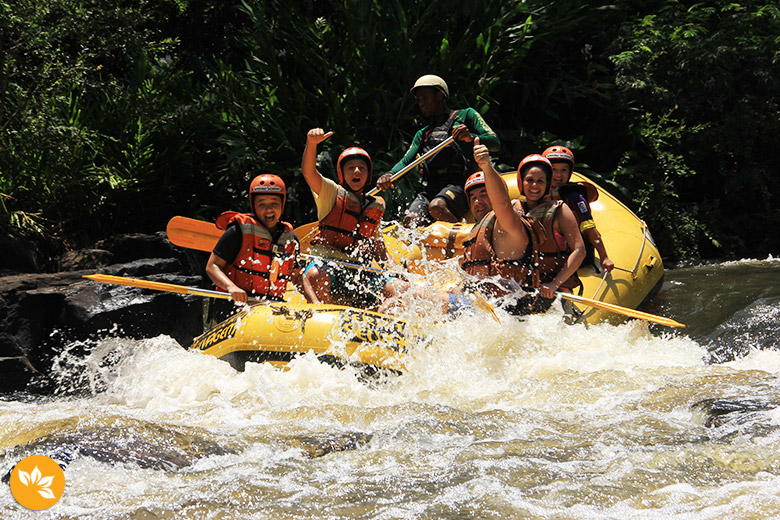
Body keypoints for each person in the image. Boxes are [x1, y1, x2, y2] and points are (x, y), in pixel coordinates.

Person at [471, 139, 586, 313]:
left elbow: (579, 250)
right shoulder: (516, 209)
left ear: (547, 184)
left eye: (540, 181)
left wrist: (555, 284)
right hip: (524, 286)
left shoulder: (560, 210)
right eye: (530, 180)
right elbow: (501, 205)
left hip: (552, 287)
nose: (534, 185)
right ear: (521, 183)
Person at [376, 75, 500, 227]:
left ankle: (465, 243)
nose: (420, 103)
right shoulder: (423, 134)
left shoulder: (466, 115)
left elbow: (495, 143)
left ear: (440, 95)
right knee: (410, 219)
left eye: (425, 98)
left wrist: (470, 137)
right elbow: (406, 161)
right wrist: (390, 174)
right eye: (418, 99)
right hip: (432, 187)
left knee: (437, 207)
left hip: (459, 184)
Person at [300, 128, 404, 308]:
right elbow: (309, 173)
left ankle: (383, 320)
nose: (357, 171)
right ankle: (322, 317)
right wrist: (311, 144)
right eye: (351, 168)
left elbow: (379, 251)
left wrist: (398, 272)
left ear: (368, 175)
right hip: (328, 266)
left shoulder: (374, 207)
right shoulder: (330, 192)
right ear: (342, 174)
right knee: (315, 274)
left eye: (362, 168)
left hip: (360, 272)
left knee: (402, 289)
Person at [205, 174, 299, 323]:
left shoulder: (291, 239)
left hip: (272, 307)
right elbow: (212, 266)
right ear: (253, 206)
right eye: (262, 204)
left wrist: (315, 303)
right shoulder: (238, 231)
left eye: (274, 203)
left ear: (282, 204)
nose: (268, 210)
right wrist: (231, 288)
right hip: (236, 305)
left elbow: (298, 276)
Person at [543, 145, 614, 273]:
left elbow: (590, 229)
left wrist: (604, 257)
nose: (559, 174)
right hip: (544, 253)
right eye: (554, 170)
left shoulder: (574, 197)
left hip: (570, 254)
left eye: (564, 170)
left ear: (570, 172)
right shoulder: (537, 193)